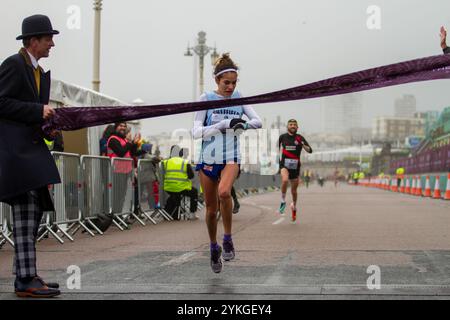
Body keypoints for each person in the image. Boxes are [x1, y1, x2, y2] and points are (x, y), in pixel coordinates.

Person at [0, 14, 61, 298]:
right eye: (48, 38)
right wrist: (37, 111)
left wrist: (46, 125)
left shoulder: (36, 70)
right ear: (33, 41)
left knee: (32, 212)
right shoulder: (14, 65)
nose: (52, 44)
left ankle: (26, 273)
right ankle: (25, 279)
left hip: (30, 150)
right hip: (16, 153)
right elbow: (2, 102)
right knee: (25, 212)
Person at [192, 53, 262, 273]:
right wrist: (221, 125)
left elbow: (257, 121)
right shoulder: (205, 99)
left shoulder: (240, 98)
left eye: (234, 83)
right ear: (217, 81)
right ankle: (214, 247)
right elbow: (195, 132)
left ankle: (228, 238)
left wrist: (241, 124)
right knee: (211, 210)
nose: (231, 87)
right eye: (226, 83)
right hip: (208, 159)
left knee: (225, 193)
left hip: (231, 157)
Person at [277, 119, 313, 223]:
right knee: (284, 180)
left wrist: (303, 144)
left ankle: (294, 206)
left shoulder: (300, 138)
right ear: (287, 126)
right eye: (291, 124)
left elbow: (310, 150)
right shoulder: (282, 137)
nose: (292, 126)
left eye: (294, 125)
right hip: (284, 165)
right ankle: (283, 201)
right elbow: (276, 149)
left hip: (295, 167)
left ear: (297, 127)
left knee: (294, 191)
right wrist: (277, 162)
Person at [162, 146, 198, 220]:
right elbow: (191, 176)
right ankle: (192, 214)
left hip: (168, 187)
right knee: (194, 192)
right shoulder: (184, 162)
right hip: (181, 187)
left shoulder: (166, 162)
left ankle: (170, 213)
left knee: (174, 196)